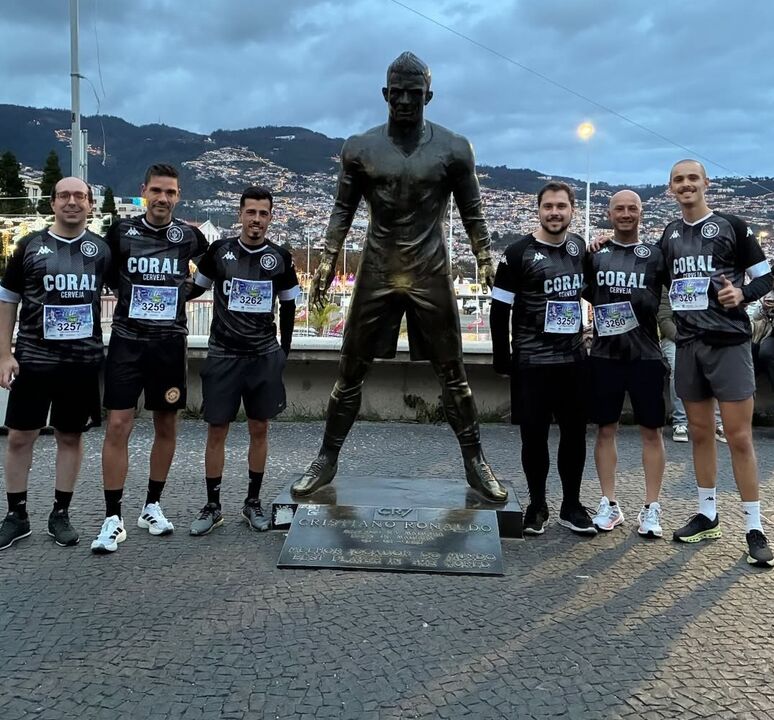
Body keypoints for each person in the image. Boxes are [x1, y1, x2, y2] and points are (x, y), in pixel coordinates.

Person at [290, 52, 507, 502]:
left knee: (454, 373)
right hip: (377, 269)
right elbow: (342, 209)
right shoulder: (360, 148)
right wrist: (328, 257)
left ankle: (475, 461)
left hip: (430, 270)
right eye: (398, 93)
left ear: (428, 95)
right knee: (349, 371)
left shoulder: (454, 149)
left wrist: (485, 256)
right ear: (385, 94)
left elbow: (473, 212)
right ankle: (326, 458)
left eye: (414, 93)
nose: (406, 100)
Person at [91, 164, 208, 553]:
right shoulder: (122, 232)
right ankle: (113, 517)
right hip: (127, 341)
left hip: (170, 345)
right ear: (144, 192)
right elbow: (104, 274)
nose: (163, 198)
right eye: (156, 190)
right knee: (119, 424)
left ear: (178, 196)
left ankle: (152, 506)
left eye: (170, 192)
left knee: (166, 425)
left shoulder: (189, 237)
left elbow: (214, 268)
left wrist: (181, 293)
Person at [663, 159, 773, 567]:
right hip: (689, 345)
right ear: (670, 188)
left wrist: (742, 295)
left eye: (693, 178)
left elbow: (766, 276)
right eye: (679, 180)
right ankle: (708, 514)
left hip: (728, 343)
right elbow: (650, 274)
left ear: (706, 183)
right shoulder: (670, 233)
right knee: (699, 432)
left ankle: (754, 526)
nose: (686, 184)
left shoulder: (733, 225)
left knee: (740, 437)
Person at [0, 177, 110, 549]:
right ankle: (16, 514)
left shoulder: (100, 250)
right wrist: (4, 353)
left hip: (80, 362)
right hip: (33, 358)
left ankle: (60, 513)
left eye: (80, 195)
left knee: (70, 436)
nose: (72, 202)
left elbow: (127, 291)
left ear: (90, 205)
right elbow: (8, 300)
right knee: (19, 437)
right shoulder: (29, 246)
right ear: (53, 203)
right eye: (64, 195)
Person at [188, 186, 299, 536]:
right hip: (223, 352)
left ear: (270, 217)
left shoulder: (280, 257)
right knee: (216, 429)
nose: (256, 220)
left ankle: (252, 502)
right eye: (250, 212)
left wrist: (285, 351)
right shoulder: (219, 252)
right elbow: (194, 289)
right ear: (240, 214)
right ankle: (213, 505)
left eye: (263, 214)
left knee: (259, 428)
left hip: (263, 355)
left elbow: (290, 305)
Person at [490, 181, 596, 535]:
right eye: (548, 206)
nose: (555, 212)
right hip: (532, 362)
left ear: (572, 211)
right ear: (538, 210)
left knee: (575, 436)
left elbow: (594, 291)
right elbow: (498, 309)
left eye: (561, 206)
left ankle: (572, 505)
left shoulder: (579, 247)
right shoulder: (517, 252)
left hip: (573, 361)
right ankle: (537, 505)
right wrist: (502, 357)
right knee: (533, 439)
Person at [584, 190, 669, 537]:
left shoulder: (655, 255)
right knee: (605, 429)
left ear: (641, 212)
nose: (625, 213)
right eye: (619, 208)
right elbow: (582, 291)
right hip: (605, 355)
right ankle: (609, 503)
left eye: (632, 208)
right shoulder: (596, 255)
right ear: (609, 212)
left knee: (653, 431)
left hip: (646, 354)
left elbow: (677, 292)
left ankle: (651, 507)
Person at [657, 289, 726, 444]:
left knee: (715, 364)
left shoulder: (707, 281)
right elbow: (664, 319)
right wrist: (682, 338)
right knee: (678, 367)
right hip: (675, 337)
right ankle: (680, 422)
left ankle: (716, 422)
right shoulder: (668, 284)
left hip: (705, 335)